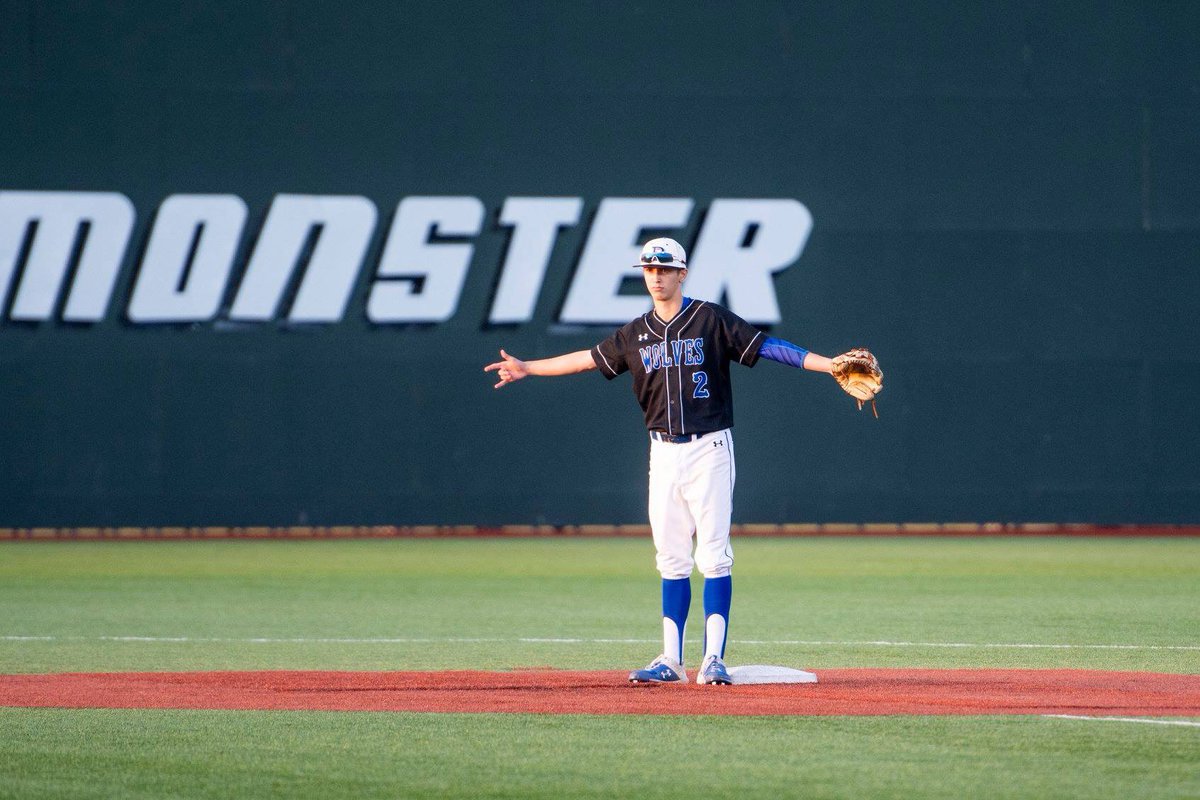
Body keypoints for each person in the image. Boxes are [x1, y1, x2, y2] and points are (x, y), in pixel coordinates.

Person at [484, 237, 842, 685]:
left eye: (665, 269)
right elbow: (587, 360)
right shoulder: (634, 333)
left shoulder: (709, 319)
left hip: (710, 446)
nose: (656, 276)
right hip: (663, 451)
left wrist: (829, 365)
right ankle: (671, 660)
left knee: (713, 556)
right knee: (671, 558)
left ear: (682, 273)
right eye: (649, 269)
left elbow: (768, 347)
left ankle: (714, 659)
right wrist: (528, 367)